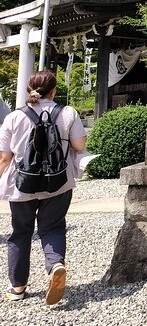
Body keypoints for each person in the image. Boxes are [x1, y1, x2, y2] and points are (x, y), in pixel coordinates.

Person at [0, 70, 87, 305]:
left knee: (20, 233)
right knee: (53, 227)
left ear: (30, 90)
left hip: (22, 186)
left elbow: (5, 158)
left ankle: (17, 287)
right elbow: (79, 145)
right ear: (54, 91)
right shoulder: (68, 113)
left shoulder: (14, 118)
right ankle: (55, 265)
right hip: (58, 183)